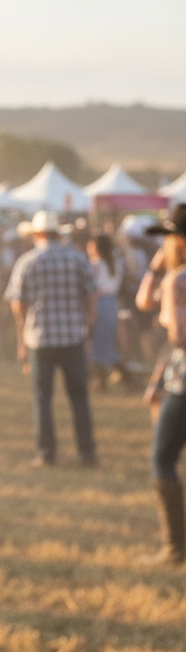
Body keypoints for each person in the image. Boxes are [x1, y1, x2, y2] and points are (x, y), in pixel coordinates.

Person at [4, 210, 98, 468]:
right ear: (59, 233)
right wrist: (87, 328)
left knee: (42, 399)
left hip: (40, 339)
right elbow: (91, 297)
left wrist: (22, 337)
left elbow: (18, 304)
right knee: (79, 398)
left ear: (37, 234)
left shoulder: (28, 261)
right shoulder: (78, 259)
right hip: (73, 338)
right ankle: (86, 452)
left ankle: (47, 453)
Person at [134, 205, 186, 565]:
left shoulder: (177, 281)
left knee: (162, 458)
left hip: (183, 380)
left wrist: (157, 273)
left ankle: (175, 546)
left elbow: (178, 336)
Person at [86, 234, 123, 390]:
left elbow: (91, 288)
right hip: (112, 303)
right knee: (105, 342)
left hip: (98, 303)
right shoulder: (117, 263)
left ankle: (103, 381)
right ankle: (104, 379)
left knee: (98, 343)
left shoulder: (95, 265)